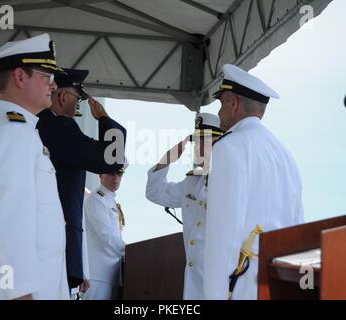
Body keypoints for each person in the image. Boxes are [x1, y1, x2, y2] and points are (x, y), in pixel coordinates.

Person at [0, 34, 69, 299]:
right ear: (20, 76)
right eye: (46, 75)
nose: (54, 84)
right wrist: (21, 292)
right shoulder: (12, 133)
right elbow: (10, 220)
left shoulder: (20, 130)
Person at [204, 64, 304, 300]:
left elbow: (222, 236)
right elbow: (298, 230)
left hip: (243, 285)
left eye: (221, 104)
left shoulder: (228, 148)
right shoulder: (286, 155)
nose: (218, 114)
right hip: (279, 282)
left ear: (233, 103)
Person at [36, 68, 127, 295]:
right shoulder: (60, 127)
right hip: (56, 243)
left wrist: (82, 266)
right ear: (63, 97)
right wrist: (105, 119)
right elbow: (110, 159)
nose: (80, 105)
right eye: (78, 98)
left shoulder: (41, 124)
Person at [145, 113, 223, 300]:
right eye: (196, 143)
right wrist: (167, 159)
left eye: (204, 142)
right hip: (194, 281)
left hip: (220, 279)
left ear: (219, 145)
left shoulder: (229, 180)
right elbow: (155, 193)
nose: (197, 149)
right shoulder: (191, 182)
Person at [82, 167, 127, 300]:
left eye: (119, 174)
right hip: (97, 274)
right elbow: (106, 235)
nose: (116, 178)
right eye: (111, 174)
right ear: (100, 175)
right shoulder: (96, 199)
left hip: (111, 273)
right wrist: (130, 252)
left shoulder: (109, 199)